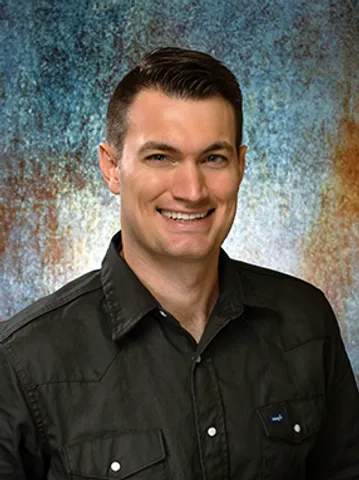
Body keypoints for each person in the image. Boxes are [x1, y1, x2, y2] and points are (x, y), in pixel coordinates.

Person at [1, 47, 358, 480]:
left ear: (241, 167)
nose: (192, 190)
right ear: (112, 168)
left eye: (213, 158)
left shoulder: (306, 322)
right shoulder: (24, 362)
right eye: (160, 157)